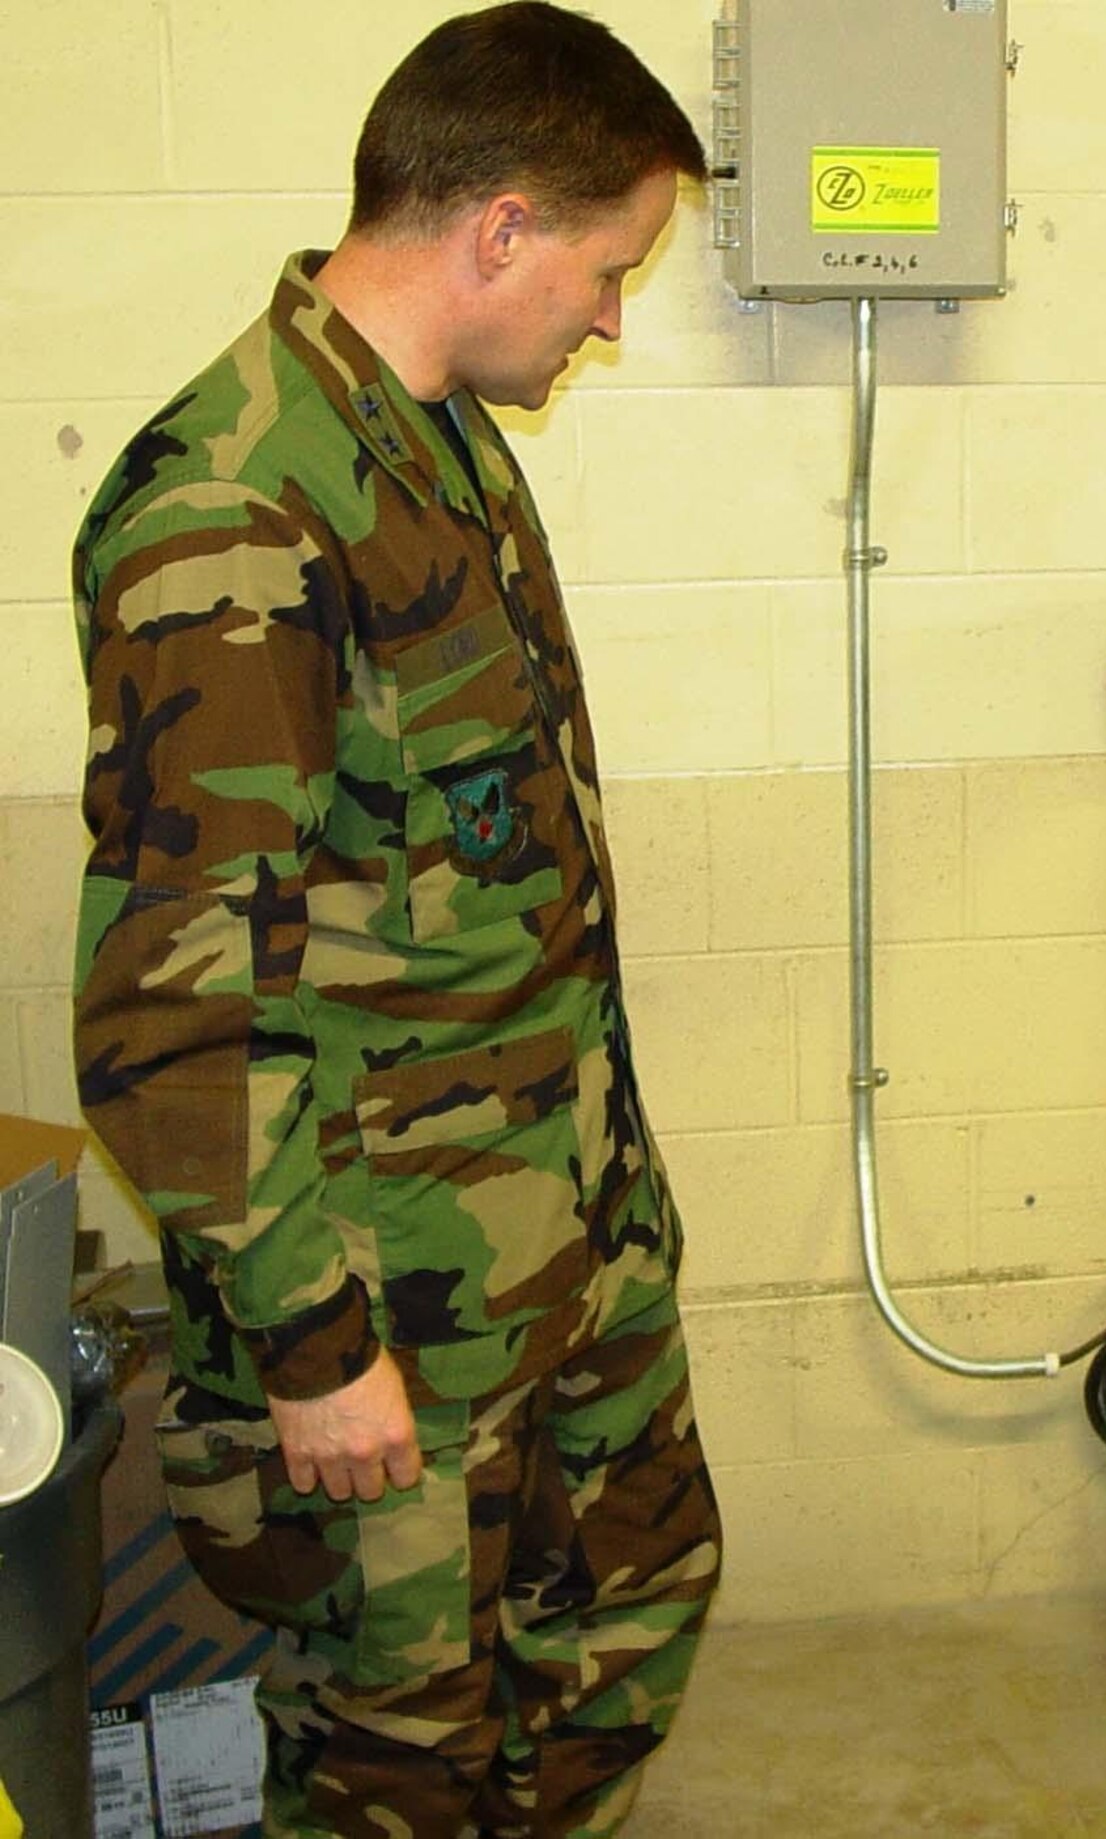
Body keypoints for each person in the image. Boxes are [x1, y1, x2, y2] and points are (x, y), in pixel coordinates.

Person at [70, 8, 721, 1834]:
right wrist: (308, 1347)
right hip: (387, 1301)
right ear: (499, 229)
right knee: (397, 1757)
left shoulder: (434, 446)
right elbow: (166, 1001)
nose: (610, 319)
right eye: (607, 272)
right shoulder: (241, 505)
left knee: (625, 1617)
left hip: (554, 1229)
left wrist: (616, 1203)